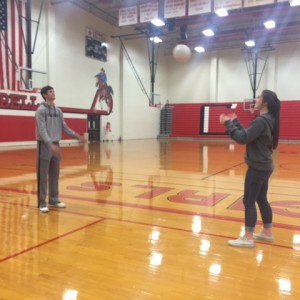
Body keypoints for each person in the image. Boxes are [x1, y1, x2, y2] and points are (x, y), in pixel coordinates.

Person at [219, 90, 280, 247]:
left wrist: (227, 124)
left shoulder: (261, 121)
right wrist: (237, 123)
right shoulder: (269, 119)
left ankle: (248, 237)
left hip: (258, 167)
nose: (256, 98)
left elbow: (242, 138)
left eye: (259, 97)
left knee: (249, 201)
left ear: (265, 102)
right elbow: (249, 135)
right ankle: (268, 232)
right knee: (261, 199)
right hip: (265, 166)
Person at [35, 86, 84, 213]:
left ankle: (54, 199)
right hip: (45, 145)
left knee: (54, 175)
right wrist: (49, 143)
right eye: (50, 92)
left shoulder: (59, 111)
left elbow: (65, 127)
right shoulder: (40, 110)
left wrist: (77, 136)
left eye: (53, 91)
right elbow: (42, 129)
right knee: (43, 175)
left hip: (56, 145)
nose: (53, 93)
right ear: (45, 95)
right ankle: (42, 203)